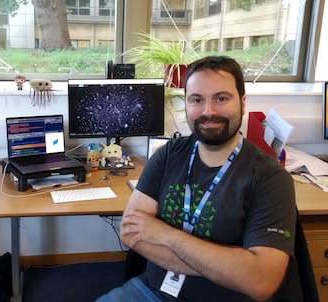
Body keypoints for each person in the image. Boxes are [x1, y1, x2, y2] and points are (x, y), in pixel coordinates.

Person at [96, 56, 297, 302]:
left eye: (221, 98)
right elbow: (129, 232)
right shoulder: (169, 154)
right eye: (197, 100)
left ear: (243, 103)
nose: (208, 111)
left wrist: (164, 234)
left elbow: (259, 280)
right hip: (151, 291)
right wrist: (225, 266)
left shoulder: (270, 178)